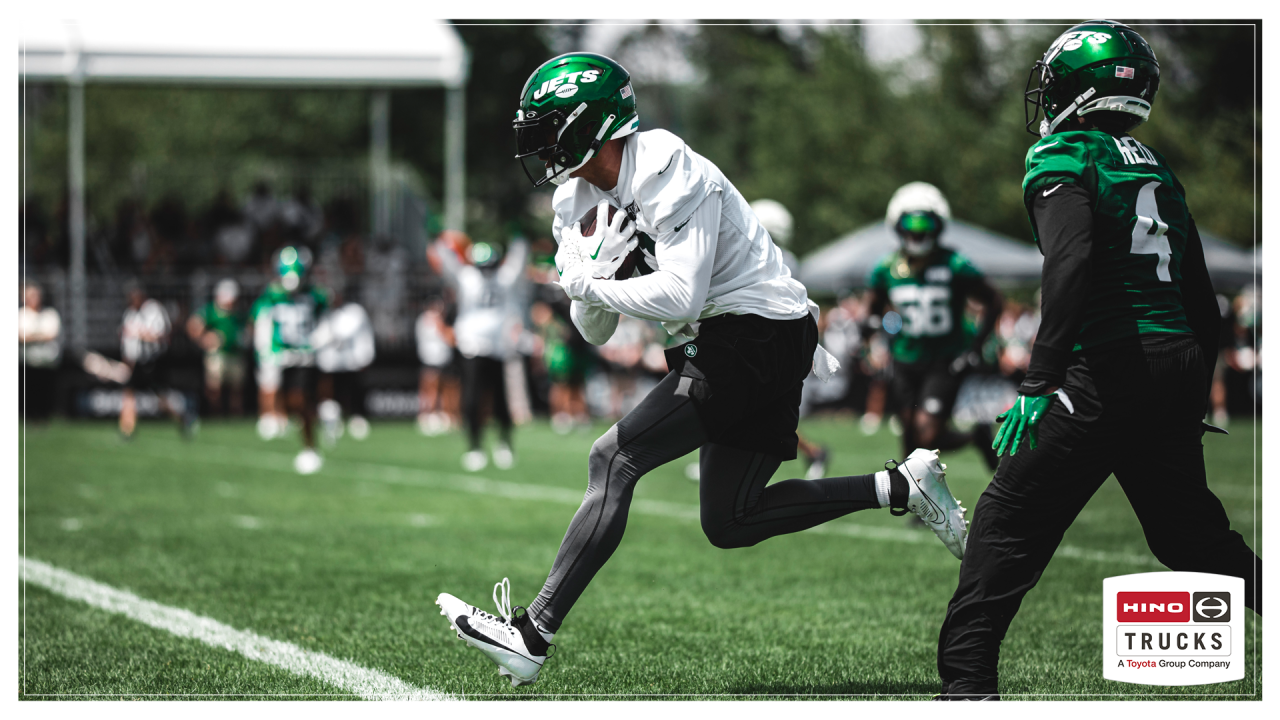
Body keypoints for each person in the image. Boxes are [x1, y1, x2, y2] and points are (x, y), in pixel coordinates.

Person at [437, 52, 970, 688]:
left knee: (614, 459)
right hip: (719, 339)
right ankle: (902, 488)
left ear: (591, 125)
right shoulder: (573, 198)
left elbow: (682, 297)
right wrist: (589, 284)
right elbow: (596, 330)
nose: (537, 142)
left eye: (549, 125)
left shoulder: (665, 166)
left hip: (758, 330)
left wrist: (591, 282)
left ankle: (534, 633)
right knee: (731, 519)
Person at [935, 21, 1262, 700]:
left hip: (1107, 368)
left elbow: (1072, 264)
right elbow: (1201, 293)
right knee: (1190, 540)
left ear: (1074, 87)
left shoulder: (1064, 153)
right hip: (1174, 361)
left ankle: (966, 691)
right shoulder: (1152, 162)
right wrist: (1189, 390)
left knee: (1005, 522)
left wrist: (1039, 379)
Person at [866, 182, 1004, 472]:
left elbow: (994, 300)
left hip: (944, 359)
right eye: (910, 223)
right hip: (904, 358)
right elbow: (873, 311)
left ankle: (971, 439)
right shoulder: (886, 268)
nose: (917, 231)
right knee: (909, 431)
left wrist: (976, 347)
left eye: (925, 222)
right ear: (898, 225)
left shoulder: (954, 264)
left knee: (926, 432)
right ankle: (915, 496)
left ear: (938, 224)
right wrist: (873, 333)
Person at [432, 235, 530, 472]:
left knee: (500, 401)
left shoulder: (497, 278)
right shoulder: (471, 279)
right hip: (472, 346)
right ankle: (475, 446)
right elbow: (449, 266)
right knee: (472, 399)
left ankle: (504, 443)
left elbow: (518, 261)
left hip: (497, 347)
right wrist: (442, 243)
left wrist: (520, 242)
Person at [749, 198, 831, 480]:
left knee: (766, 413)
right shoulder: (781, 258)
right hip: (770, 344)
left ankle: (814, 451)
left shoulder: (779, 260)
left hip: (774, 346)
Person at [251, 246, 328, 474]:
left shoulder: (315, 296)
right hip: (283, 355)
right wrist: (268, 351)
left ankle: (310, 447)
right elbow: (262, 321)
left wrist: (316, 342)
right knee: (289, 403)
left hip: (304, 356)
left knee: (299, 399)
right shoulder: (272, 297)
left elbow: (324, 320)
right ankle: (316, 427)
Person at [119, 281, 193, 438]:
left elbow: (160, 335)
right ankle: (127, 430)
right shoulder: (130, 314)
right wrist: (128, 361)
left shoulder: (154, 310)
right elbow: (127, 342)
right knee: (129, 393)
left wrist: (142, 334)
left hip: (154, 360)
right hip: (138, 361)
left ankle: (182, 418)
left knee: (161, 397)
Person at [313, 285, 376, 444]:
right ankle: (333, 420)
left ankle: (357, 417)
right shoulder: (324, 314)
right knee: (330, 393)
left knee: (353, 391)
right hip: (331, 362)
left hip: (350, 361)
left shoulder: (353, 312)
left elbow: (347, 333)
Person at [186, 278, 247, 417]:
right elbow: (192, 326)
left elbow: (247, 327)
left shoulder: (238, 313)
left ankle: (235, 415)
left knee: (236, 389)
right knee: (214, 388)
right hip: (217, 354)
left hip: (235, 353)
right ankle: (216, 414)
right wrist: (204, 339)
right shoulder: (210, 311)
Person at [19, 282, 62, 422]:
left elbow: (52, 334)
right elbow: (19, 336)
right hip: (26, 362)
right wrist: (40, 336)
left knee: (44, 394)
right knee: (28, 394)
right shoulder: (20, 315)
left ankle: (44, 418)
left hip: (46, 364)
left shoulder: (50, 314)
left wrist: (31, 336)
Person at [415, 295, 456, 436]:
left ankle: (436, 414)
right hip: (434, 360)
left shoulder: (422, 320)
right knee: (432, 389)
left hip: (435, 360)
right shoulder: (433, 321)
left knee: (436, 389)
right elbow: (450, 338)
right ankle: (429, 415)